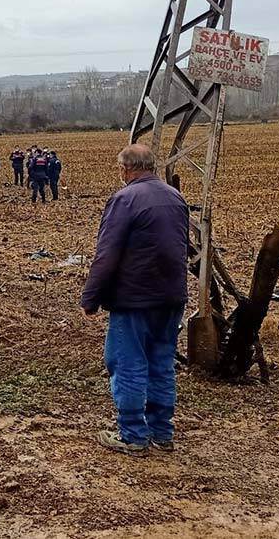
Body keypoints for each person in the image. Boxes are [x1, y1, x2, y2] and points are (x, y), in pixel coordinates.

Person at [80, 144, 189, 456]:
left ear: (124, 169)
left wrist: (91, 298)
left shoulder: (124, 199)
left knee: (128, 363)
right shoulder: (176, 197)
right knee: (162, 363)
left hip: (134, 299)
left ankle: (132, 435)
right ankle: (162, 432)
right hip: (172, 297)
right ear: (152, 166)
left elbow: (107, 254)